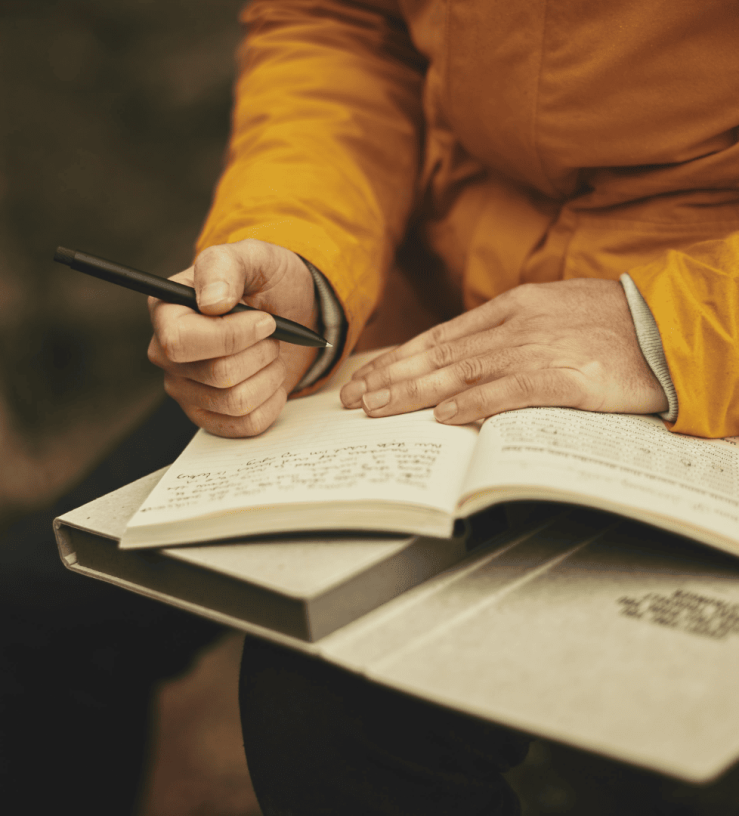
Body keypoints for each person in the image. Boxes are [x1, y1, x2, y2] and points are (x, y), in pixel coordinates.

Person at [146, 1, 739, 813]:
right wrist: (303, 256)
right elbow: (338, 25)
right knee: (41, 621)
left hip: (700, 348)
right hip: (418, 316)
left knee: (339, 709)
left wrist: (673, 327)